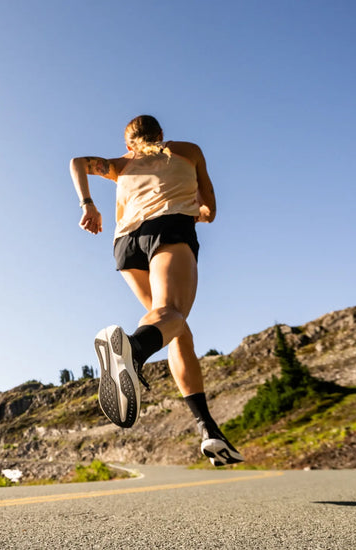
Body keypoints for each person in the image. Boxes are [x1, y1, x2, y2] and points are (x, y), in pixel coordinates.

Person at [69, 115, 243, 466]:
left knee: (174, 329)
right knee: (173, 314)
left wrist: (88, 204)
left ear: (128, 143)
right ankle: (132, 350)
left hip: (126, 244)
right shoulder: (187, 150)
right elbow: (209, 203)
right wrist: (202, 211)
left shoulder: (120, 164)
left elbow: (78, 163)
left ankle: (208, 428)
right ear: (161, 134)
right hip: (168, 229)